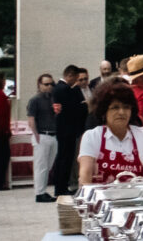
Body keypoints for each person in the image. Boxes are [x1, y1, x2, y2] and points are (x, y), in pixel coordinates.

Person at [77, 80, 143, 184]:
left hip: (137, 198)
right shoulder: (92, 136)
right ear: (103, 111)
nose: (121, 112)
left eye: (126, 107)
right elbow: (85, 175)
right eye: (115, 107)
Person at [53, 64, 88, 196]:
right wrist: (83, 106)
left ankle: (62, 186)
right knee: (64, 159)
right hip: (66, 129)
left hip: (65, 129)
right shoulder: (64, 89)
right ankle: (61, 187)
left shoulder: (60, 88)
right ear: (70, 76)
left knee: (66, 158)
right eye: (75, 78)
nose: (76, 82)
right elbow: (72, 109)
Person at [27, 73, 58, 203]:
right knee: (41, 166)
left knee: (48, 165)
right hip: (42, 134)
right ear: (39, 85)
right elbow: (31, 119)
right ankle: (39, 193)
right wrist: (36, 134)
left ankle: (43, 191)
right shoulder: (35, 100)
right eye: (46, 84)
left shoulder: (53, 99)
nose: (49, 86)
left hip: (53, 134)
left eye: (51, 84)